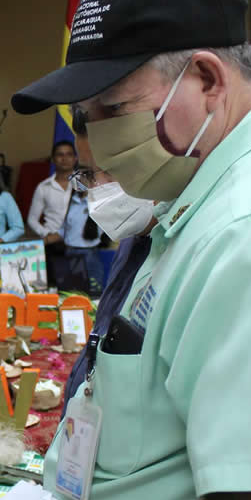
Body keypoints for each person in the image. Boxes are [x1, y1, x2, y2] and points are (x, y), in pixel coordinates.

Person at [12, 0, 251, 500]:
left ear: (208, 80)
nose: (92, 142)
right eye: (83, 117)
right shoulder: (200, 198)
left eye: (111, 109)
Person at [61, 120, 154, 418]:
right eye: (88, 174)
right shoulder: (131, 239)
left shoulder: (177, 255)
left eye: (111, 170)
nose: (98, 188)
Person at [27, 141, 77, 243]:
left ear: (75, 158)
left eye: (69, 154)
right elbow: (32, 219)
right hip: (53, 242)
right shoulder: (43, 187)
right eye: (60, 155)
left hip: (80, 242)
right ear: (53, 159)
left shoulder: (85, 184)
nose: (64, 159)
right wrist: (47, 234)